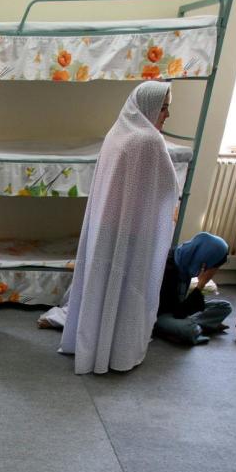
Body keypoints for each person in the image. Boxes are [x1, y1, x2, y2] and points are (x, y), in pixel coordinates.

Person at [37, 81, 179, 374]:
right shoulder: (148, 140)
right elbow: (166, 189)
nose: (166, 115)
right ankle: (115, 351)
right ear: (150, 106)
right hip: (132, 229)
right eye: (163, 108)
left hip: (107, 225)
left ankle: (91, 343)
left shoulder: (118, 132)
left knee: (101, 284)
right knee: (128, 288)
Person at [153, 231, 233, 345]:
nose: (212, 270)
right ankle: (193, 327)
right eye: (213, 265)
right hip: (161, 313)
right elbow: (178, 312)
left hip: (179, 308)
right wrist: (201, 284)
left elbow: (183, 305)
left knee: (224, 307)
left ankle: (191, 326)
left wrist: (201, 285)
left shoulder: (186, 262)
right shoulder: (168, 268)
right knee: (188, 330)